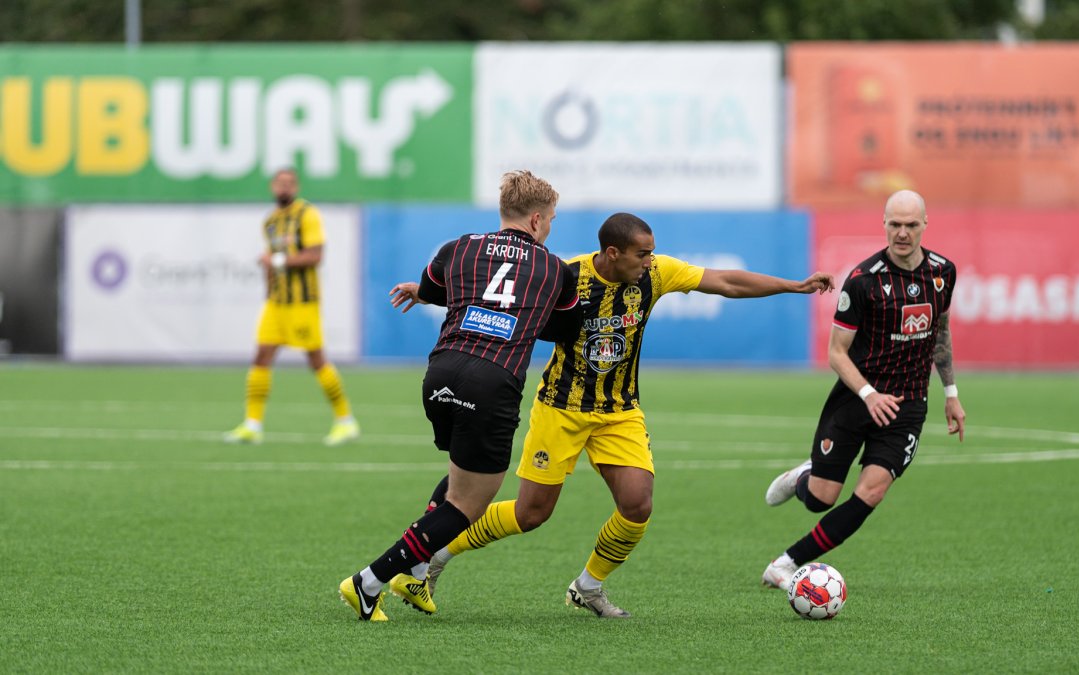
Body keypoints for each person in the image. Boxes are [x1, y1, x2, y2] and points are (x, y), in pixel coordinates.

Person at [392, 212, 835, 618]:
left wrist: (793, 286)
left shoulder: (657, 274)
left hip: (619, 412)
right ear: (612, 253)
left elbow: (725, 282)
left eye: (651, 253)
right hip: (560, 410)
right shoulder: (567, 276)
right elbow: (499, 302)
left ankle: (588, 586)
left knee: (637, 503)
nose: (650, 261)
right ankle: (438, 554)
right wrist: (428, 293)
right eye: (642, 254)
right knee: (531, 514)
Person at [338, 169, 579, 621]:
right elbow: (565, 329)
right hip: (493, 382)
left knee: (458, 477)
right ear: (534, 220)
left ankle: (415, 572)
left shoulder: (459, 246)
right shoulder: (554, 269)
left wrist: (428, 294)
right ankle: (368, 582)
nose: (549, 228)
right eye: (549, 220)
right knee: (468, 506)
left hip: (441, 373)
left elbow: (433, 289)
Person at [760, 190, 966, 589]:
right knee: (821, 498)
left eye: (910, 225)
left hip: (906, 406)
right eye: (895, 224)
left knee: (871, 492)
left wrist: (952, 392)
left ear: (925, 224)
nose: (902, 233)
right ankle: (804, 475)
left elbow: (940, 331)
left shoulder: (944, 272)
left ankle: (785, 563)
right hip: (857, 399)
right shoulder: (863, 281)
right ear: (884, 224)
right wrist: (869, 394)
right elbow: (836, 353)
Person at [223, 168, 359, 446]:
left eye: (289, 183)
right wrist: (268, 288)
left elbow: (315, 255)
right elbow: (270, 259)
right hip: (276, 303)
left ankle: (345, 421)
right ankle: (252, 424)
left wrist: (276, 262)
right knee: (261, 356)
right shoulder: (270, 221)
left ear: (295, 187)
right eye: (279, 183)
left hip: (302, 303)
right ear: (273, 187)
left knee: (315, 359)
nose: (283, 188)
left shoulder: (307, 215)